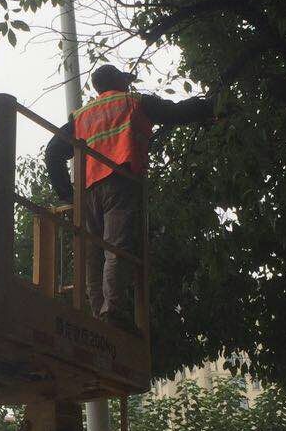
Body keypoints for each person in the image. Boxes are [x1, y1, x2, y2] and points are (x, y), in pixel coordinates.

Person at [44, 64, 209, 324]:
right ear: (118, 82)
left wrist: (68, 196)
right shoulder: (133, 102)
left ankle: (98, 312)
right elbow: (177, 112)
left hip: (87, 192)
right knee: (116, 248)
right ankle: (112, 312)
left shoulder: (81, 116)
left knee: (92, 253)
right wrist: (210, 105)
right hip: (119, 182)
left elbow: (52, 153)